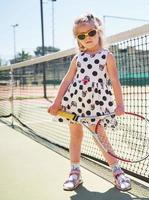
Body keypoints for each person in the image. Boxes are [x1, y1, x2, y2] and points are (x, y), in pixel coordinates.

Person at [48, 13, 131, 191]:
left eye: (91, 33)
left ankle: (118, 173)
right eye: (81, 35)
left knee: (100, 138)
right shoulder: (77, 58)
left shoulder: (107, 56)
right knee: (76, 136)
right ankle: (75, 173)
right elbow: (67, 80)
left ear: (98, 31)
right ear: (77, 38)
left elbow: (115, 80)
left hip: (96, 106)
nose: (87, 38)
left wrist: (120, 104)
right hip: (74, 104)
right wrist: (56, 102)